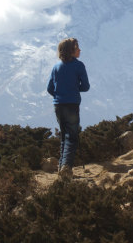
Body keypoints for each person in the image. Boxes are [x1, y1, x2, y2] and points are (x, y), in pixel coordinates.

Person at [46, 37, 90, 177]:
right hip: (72, 104)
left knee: (64, 136)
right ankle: (66, 167)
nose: (79, 50)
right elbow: (86, 86)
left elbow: (49, 88)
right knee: (72, 137)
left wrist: (60, 94)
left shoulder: (56, 67)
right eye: (77, 47)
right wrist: (74, 89)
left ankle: (61, 166)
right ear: (71, 51)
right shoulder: (78, 66)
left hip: (58, 105)